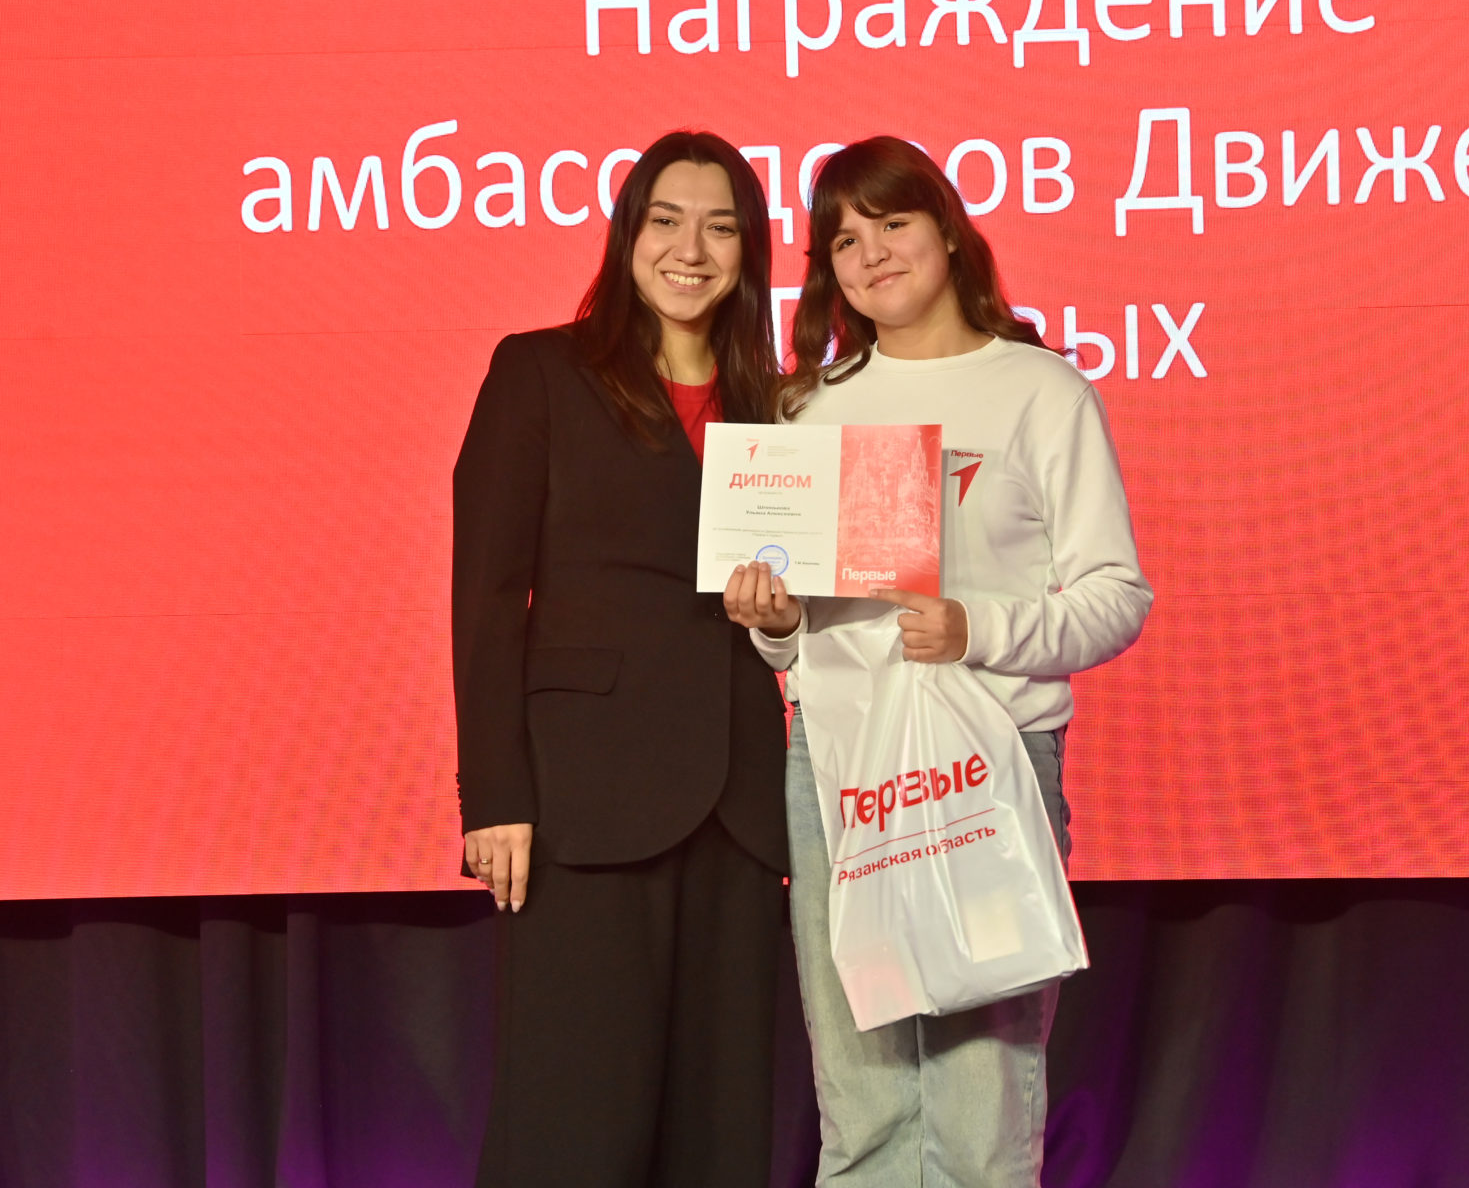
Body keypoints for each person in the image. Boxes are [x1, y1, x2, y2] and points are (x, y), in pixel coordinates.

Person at [724, 136, 1153, 1187]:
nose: (871, 254)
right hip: (839, 771)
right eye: (844, 240)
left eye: (892, 223)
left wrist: (976, 628)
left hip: (990, 762)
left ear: (949, 232)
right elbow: (801, 634)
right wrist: (773, 623)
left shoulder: (1040, 391)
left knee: (978, 1103)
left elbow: (1116, 597)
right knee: (862, 1100)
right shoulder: (808, 409)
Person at [453, 131, 788, 1187]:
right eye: (667, 221)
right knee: (573, 1126)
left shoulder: (777, 400)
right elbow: (487, 595)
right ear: (628, 233)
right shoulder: (541, 371)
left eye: (721, 227)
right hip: (585, 804)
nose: (692, 249)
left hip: (739, 805)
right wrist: (495, 794)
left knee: (721, 1135)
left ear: (749, 250)